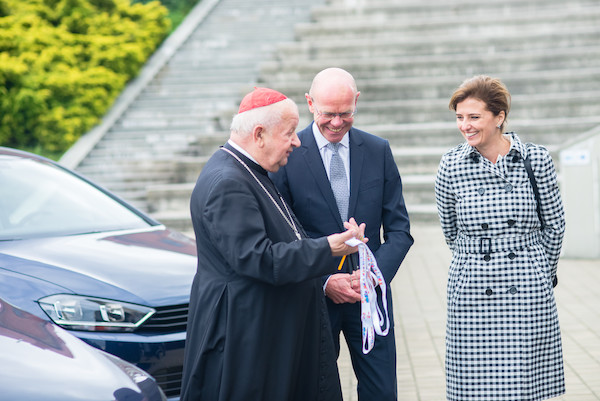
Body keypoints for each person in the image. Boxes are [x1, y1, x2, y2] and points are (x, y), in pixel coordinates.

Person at [180, 87, 367, 401]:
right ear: (259, 134)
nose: (297, 141)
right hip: (246, 335)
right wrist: (328, 248)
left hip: (265, 327)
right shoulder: (228, 182)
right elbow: (257, 258)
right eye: (290, 133)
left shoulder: (249, 170)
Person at [271, 68, 413, 401]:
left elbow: (400, 230)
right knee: (317, 390)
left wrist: (372, 277)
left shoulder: (378, 151)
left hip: (370, 298)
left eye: (345, 113)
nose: (336, 122)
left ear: (357, 103)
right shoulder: (288, 154)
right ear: (309, 103)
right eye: (328, 114)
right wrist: (324, 280)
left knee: (382, 391)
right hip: (315, 297)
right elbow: (282, 233)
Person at [435, 75, 566, 401]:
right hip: (472, 286)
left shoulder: (534, 159)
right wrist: (476, 257)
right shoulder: (451, 165)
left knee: (523, 386)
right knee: (474, 386)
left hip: (525, 286)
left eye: (474, 117)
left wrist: (537, 270)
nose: (465, 125)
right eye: (459, 117)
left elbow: (555, 225)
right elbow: (450, 231)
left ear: (499, 117)